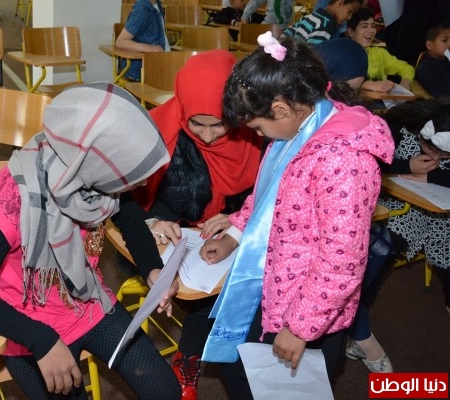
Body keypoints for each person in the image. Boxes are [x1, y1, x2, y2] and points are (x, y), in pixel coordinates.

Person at [0, 82, 182, 400]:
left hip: (86, 297)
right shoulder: (18, 199)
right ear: (99, 164)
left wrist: (153, 269)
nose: (144, 184)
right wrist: (41, 340)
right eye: (134, 177)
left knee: (165, 391)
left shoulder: (94, 172)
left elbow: (130, 221)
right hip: (28, 319)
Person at [198, 33, 394, 399]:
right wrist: (236, 233)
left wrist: (300, 327)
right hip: (278, 284)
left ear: (282, 109)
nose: (259, 136)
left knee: (283, 388)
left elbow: (342, 261)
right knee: (245, 371)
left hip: (308, 308)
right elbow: (269, 195)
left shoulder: (342, 161)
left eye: (257, 127)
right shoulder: (299, 130)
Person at [113, 49, 263, 400]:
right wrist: (153, 220)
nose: (208, 136)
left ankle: (197, 355)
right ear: (182, 108)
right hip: (155, 241)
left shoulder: (253, 133)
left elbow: (265, 194)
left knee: (245, 281)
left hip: (222, 239)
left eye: (219, 124)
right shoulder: (155, 132)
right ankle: (191, 355)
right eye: (197, 123)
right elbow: (120, 200)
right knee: (210, 294)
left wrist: (236, 218)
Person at [315, 35, 396, 374]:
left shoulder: (350, 115)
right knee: (360, 260)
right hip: (308, 228)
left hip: (335, 218)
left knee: (381, 247)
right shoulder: (309, 116)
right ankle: (361, 334)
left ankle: (355, 328)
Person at [378, 96, 450, 317]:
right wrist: (407, 165)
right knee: (389, 242)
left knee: (446, 239)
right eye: (429, 150)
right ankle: (363, 300)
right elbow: (372, 161)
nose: (435, 157)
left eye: (442, 155)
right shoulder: (399, 126)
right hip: (396, 200)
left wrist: (431, 177)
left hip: (440, 210)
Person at [346, 7, 415, 93]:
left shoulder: (379, 53)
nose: (371, 31)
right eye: (364, 26)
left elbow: (406, 68)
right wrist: (368, 85)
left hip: (382, 100)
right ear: (351, 32)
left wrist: (405, 83)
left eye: (373, 26)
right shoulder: (343, 54)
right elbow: (339, 82)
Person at [115, 0, 170, 82]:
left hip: (161, 62)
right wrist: (149, 48)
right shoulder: (142, 10)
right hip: (142, 71)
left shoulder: (157, 3)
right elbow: (121, 42)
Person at [282, 0, 362, 45]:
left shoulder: (311, 16)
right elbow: (316, 55)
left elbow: (285, 35)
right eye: (350, 11)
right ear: (340, 3)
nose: (349, 17)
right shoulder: (325, 26)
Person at [415, 22, 450, 97]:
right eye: (445, 40)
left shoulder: (446, 61)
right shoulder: (425, 69)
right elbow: (443, 94)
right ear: (429, 45)